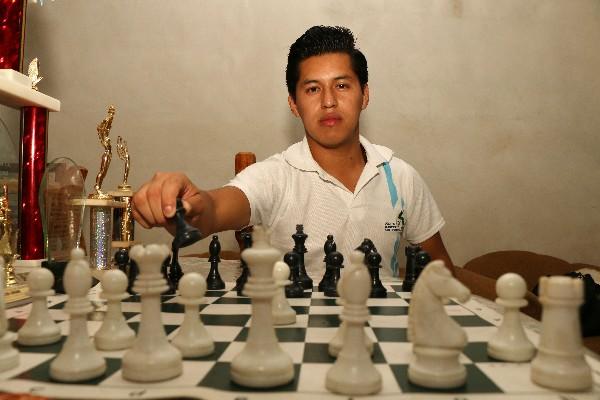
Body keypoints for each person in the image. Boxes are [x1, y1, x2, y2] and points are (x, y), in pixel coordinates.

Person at [132, 25, 454, 277]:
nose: (329, 101)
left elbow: (440, 271)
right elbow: (214, 209)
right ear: (294, 104)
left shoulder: (400, 176)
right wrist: (187, 207)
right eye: (313, 89)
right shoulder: (274, 177)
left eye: (342, 85)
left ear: (364, 95)